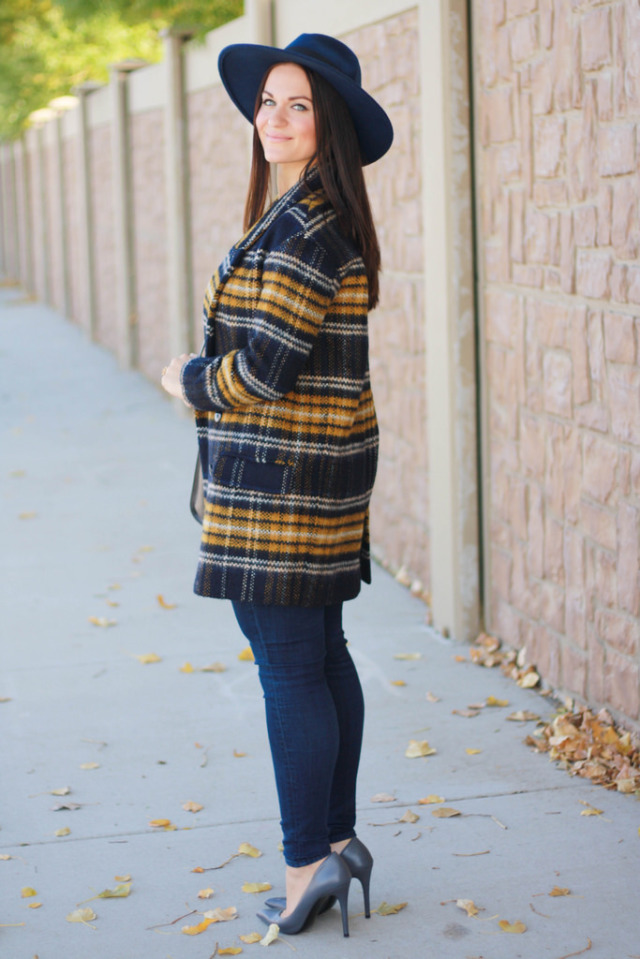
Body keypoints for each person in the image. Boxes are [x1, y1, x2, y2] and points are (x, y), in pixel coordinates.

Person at [161, 33, 393, 938]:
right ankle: (334, 844)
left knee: (290, 667)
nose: (275, 118)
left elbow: (261, 371)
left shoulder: (309, 226)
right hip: (302, 479)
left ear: (325, 121)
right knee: (319, 655)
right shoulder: (303, 214)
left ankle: (309, 866)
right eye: (267, 102)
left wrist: (188, 379)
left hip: (282, 487)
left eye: (297, 105)